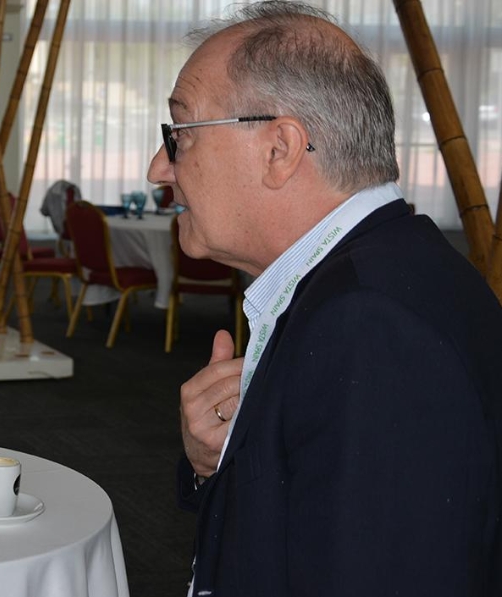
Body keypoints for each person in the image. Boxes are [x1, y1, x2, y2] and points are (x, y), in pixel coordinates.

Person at [148, 2, 502, 595]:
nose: (160, 167)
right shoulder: (369, 281)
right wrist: (216, 462)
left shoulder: (371, 327)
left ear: (280, 149)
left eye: (179, 134)